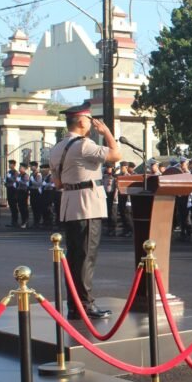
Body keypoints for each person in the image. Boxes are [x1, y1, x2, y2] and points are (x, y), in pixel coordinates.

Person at [49, 102, 122, 320]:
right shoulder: (84, 144)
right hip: (87, 205)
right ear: (82, 121)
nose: (92, 123)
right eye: (89, 120)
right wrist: (107, 132)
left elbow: (58, 183)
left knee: (75, 258)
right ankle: (84, 304)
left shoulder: (57, 147)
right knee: (86, 257)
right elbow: (116, 155)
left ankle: (75, 304)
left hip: (70, 204)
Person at [5, 159, 19, 227]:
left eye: (10, 164)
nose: (9, 165)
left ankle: (15, 221)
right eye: (9, 164)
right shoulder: (9, 172)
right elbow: (7, 181)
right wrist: (5, 182)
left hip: (14, 190)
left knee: (14, 206)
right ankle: (13, 221)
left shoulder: (15, 172)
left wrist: (9, 177)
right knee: (11, 205)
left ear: (14, 165)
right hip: (9, 189)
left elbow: (15, 180)